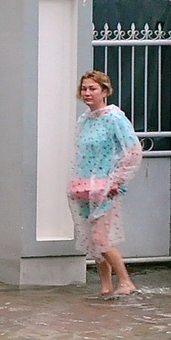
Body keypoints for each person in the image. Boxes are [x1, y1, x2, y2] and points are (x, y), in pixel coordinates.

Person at [68, 69, 142, 297]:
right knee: (92, 240)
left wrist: (117, 180)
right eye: (84, 89)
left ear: (105, 91)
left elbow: (132, 150)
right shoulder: (84, 120)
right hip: (84, 187)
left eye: (93, 88)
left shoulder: (114, 118)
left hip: (105, 187)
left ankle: (126, 281)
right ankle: (106, 287)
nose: (87, 93)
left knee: (101, 238)